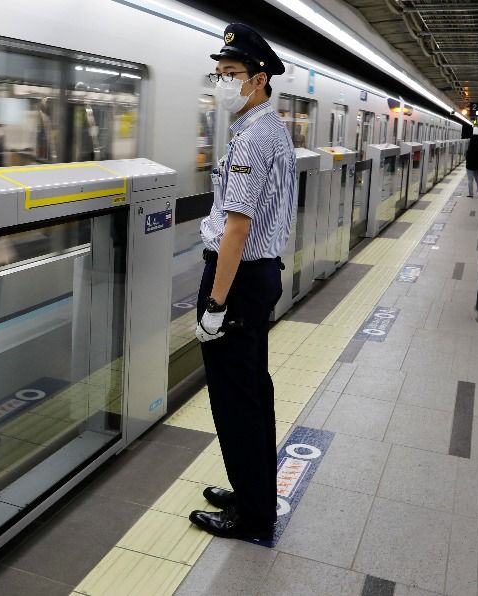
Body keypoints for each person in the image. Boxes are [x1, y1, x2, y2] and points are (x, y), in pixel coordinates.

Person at [188, 23, 296, 540]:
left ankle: (253, 516)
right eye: (219, 73)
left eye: (230, 74)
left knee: (236, 400)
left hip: (238, 280)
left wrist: (214, 302)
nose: (222, 82)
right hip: (258, 277)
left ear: (259, 80)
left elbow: (237, 226)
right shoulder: (269, 130)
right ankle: (254, 490)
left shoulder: (254, 139)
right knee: (254, 391)